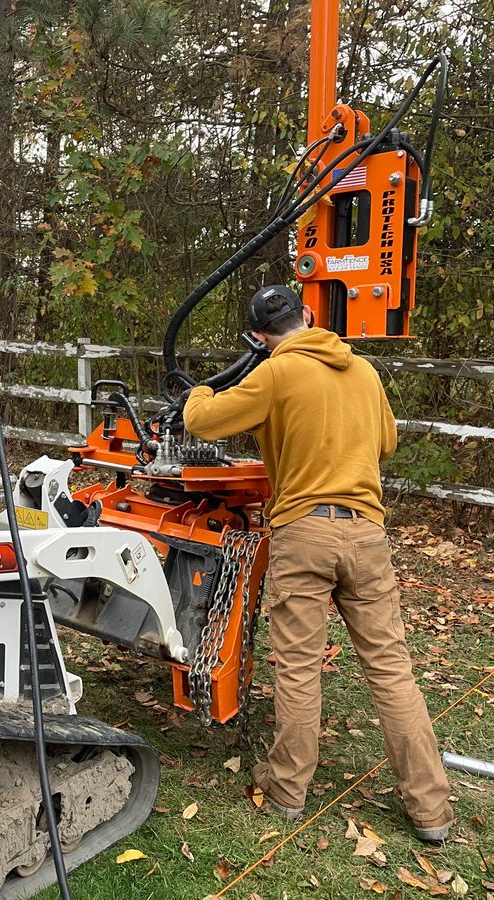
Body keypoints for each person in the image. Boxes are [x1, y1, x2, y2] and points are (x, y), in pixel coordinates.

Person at [182, 284, 454, 842]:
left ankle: (287, 791)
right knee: (391, 671)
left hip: (302, 534)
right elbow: (386, 444)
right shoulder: (364, 373)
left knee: (300, 668)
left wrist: (200, 390)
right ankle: (432, 810)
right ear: (308, 315)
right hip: (367, 535)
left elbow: (203, 422)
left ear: (258, 336)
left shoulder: (274, 374)